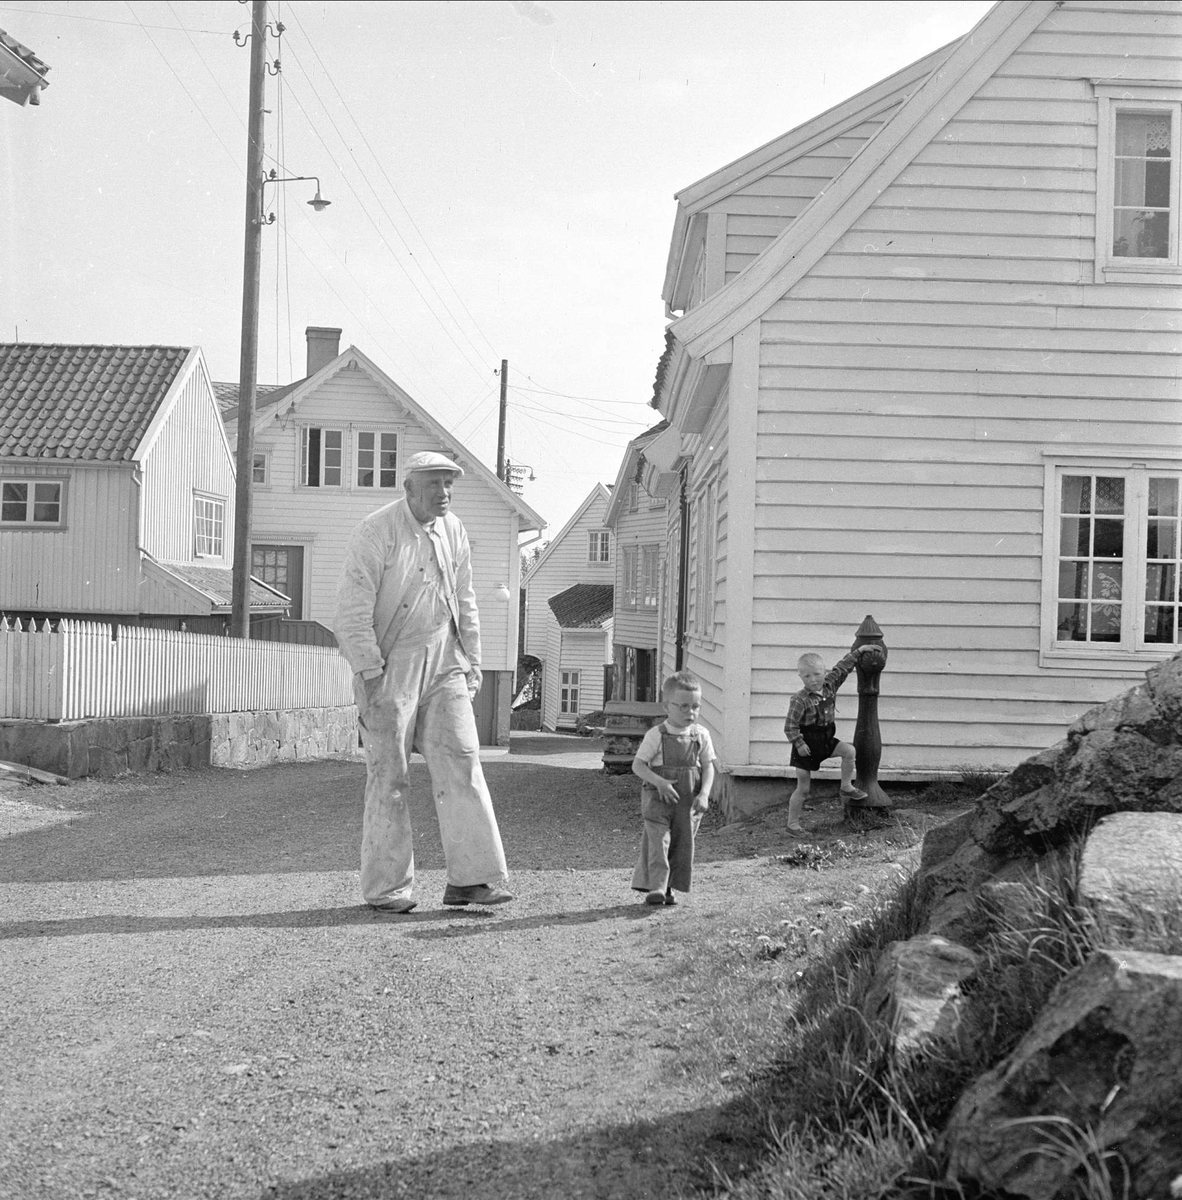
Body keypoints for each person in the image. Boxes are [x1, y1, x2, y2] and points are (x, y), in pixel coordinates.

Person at [333, 451, 512, 914]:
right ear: (409, 487)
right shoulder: (377, 531)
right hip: (391, 663)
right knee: (390, 777)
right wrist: (369, 673)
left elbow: (466, 597)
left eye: (449, 483)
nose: (444, 492)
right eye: (433, 483)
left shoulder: (454, 530)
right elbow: (351, 612)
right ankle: (387, 888)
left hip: (446, 656)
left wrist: (473, 659)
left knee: (464, 761)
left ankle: (472, 880)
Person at [630, 670, 716, 907]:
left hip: (687, 801)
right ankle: (656, 886)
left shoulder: (701, 735)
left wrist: (705, 793)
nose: (691, 712)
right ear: (667, 706)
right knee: (659, 841)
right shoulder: (656, 735)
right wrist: (659, 781)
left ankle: (668, 889)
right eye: (684, 707)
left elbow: (709, 768)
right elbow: (638, 765)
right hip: (658, 799)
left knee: (681, 843)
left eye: (696, 707)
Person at [783, 646, 874, 836]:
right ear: (800, 677)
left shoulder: (830, 685)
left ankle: (846, 786)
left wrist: (858, 652)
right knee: (803, 789)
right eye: (807, 676)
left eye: (817, 674)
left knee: (849, 752)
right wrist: (799, 744)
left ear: (824, 672)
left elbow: (843, 668)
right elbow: (790, 726)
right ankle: (792, 825)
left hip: (825, 740)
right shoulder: (799, 700)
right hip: (806, 746)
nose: (813, 679)